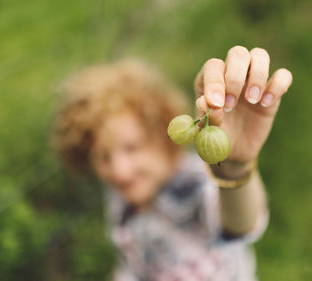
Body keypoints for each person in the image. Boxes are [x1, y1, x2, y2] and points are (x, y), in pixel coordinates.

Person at [50, 45, 293, 281]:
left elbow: (240, 225)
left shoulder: (193, 183)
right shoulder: (121, 197)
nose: (119, 171)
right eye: (102, 157)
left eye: (133, 148)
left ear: (163, 135)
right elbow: (133, 263)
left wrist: (235, 167)